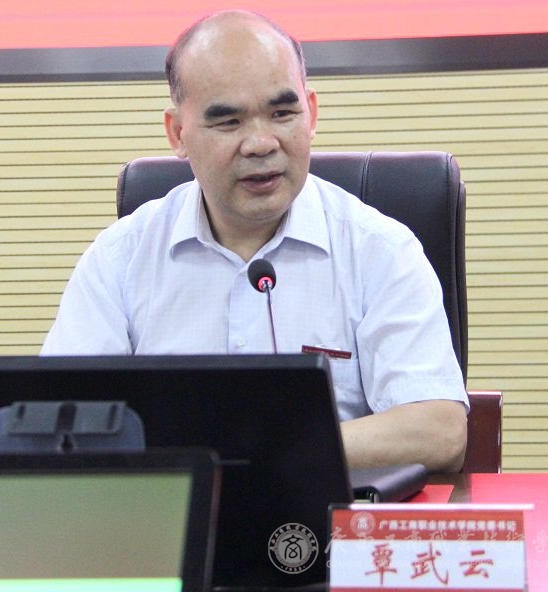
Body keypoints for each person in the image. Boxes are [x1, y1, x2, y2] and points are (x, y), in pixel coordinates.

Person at [42, 9, 468, 472]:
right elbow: (60, 424)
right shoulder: (120, 259)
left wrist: (272, 448)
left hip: (325, 514)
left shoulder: (379, 250)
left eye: (283, 114)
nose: (261, 144)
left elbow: (439, 430)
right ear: (178, 133)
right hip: (172, 512)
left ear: (311, 114)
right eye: (229, 122)